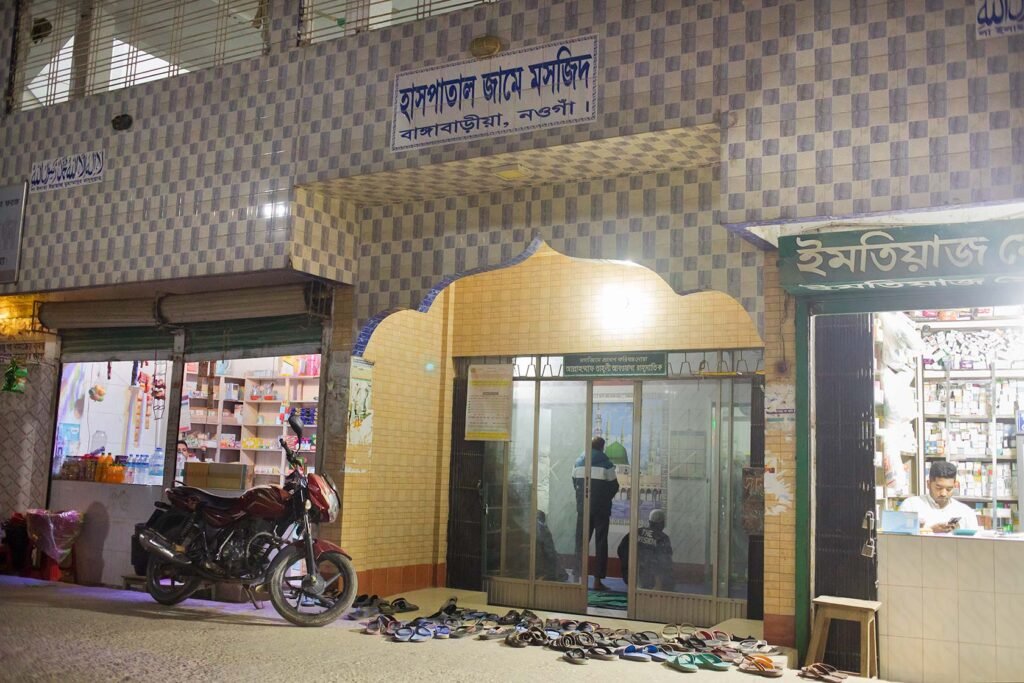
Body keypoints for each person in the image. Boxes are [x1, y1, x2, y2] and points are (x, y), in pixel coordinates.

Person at [573, 436, 619, 591]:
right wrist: (602, 500)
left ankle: (576, 576)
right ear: (602, 447)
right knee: (600, 543)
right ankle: (597, 581)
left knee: (580, 542)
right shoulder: (607, 465)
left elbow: (575, 484)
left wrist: (583, 501)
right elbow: (614, 487)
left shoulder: (578, 462)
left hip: (583, 509)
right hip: (601, 510)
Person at [899, 460, 979, 533]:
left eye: (949, 489)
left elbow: (976, 543)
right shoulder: (911, 506)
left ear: (955, 486)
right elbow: (900, 539)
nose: (943, 493)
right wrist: (931, 531)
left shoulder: (965, 512)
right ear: (928, 484)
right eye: (939, 488)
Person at [617, 508, 674, 590]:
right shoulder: (662, 538)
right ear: (662, 523)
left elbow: (621, 550)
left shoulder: (636, 532)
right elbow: (666, 562)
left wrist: (628, 569)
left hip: (630, 579)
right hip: (652, 583)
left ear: (649, 521)